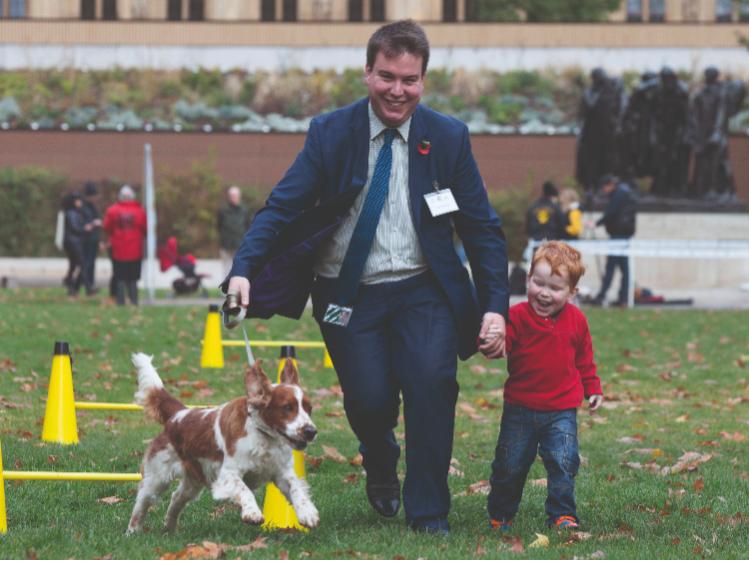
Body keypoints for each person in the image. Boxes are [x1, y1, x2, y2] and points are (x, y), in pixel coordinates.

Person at [223, 19, 509, 535]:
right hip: (346, 291)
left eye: (410, 79)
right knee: (370, 400)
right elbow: (281, 208)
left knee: (431, 384)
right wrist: (243, 271)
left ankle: (428, 512)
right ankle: (380, 460)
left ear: (423, 80)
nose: (397, 90)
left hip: (424, 290)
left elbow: (483, 228)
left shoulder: (447, 138)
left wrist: (494, 306)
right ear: (367, 73)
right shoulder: (331, 134)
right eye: (387, 77)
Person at [487, 240, 603, 532]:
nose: (544, 293)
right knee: (510, 464)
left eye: (555, 287)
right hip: (520, 408)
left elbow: (584, 359)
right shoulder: (516, 317)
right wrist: (494, 342)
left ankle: (562, 514)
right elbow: (505, 343)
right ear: (528, 280)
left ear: (572, 293)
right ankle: (501, 513)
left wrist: (593, 388)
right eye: (538, 283)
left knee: (564, 462)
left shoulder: (577, 320)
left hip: (562, 410)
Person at [592, 174, 637, 307]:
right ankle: (623, 298)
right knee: (624, 267)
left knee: (611, 265)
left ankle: (602, 296)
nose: (604, 191)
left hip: (619, 234)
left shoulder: (619, 194)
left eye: (605, 187)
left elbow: (611, 212)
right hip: (623, 233)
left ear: (610, 184)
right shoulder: (624, 192)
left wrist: (596, 223)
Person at [103, 185, 147, 306]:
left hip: (118, 249)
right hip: (135, 249)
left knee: (120, 276)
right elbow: (145, 228)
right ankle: (134, 300)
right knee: (133, 277)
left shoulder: (112, 210)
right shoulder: (140, 211)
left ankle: (120, 301)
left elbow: (107, 227)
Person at [62, 192, 93, 296]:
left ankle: (71, 287)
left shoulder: (74, 212)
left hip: (73, 242)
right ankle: (88, 288)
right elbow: (75, 228)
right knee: (82, 265)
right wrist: (85, 228)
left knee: (73, 266)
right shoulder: (71, 213)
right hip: (73, 242)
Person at [217, 185, 251, 277]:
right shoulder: (223, 210)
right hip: (226, 244)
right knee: (226, 268)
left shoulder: (244, 210)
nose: (233, 197)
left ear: (239, 196)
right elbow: (219, 225)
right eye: (231, 195)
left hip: (239, 244)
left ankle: (237, 289)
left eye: (235, 195)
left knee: (238, 268)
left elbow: (248, 226)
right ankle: (225, 290)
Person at [81, 181, 102, 294]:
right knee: (86, 263)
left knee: (92, 263)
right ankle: (85, 285)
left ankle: (90, 285)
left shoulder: (93, 207)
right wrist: (93, 223)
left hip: (93, 239)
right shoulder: (84, 207)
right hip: (86, 240)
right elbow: (83, 224)